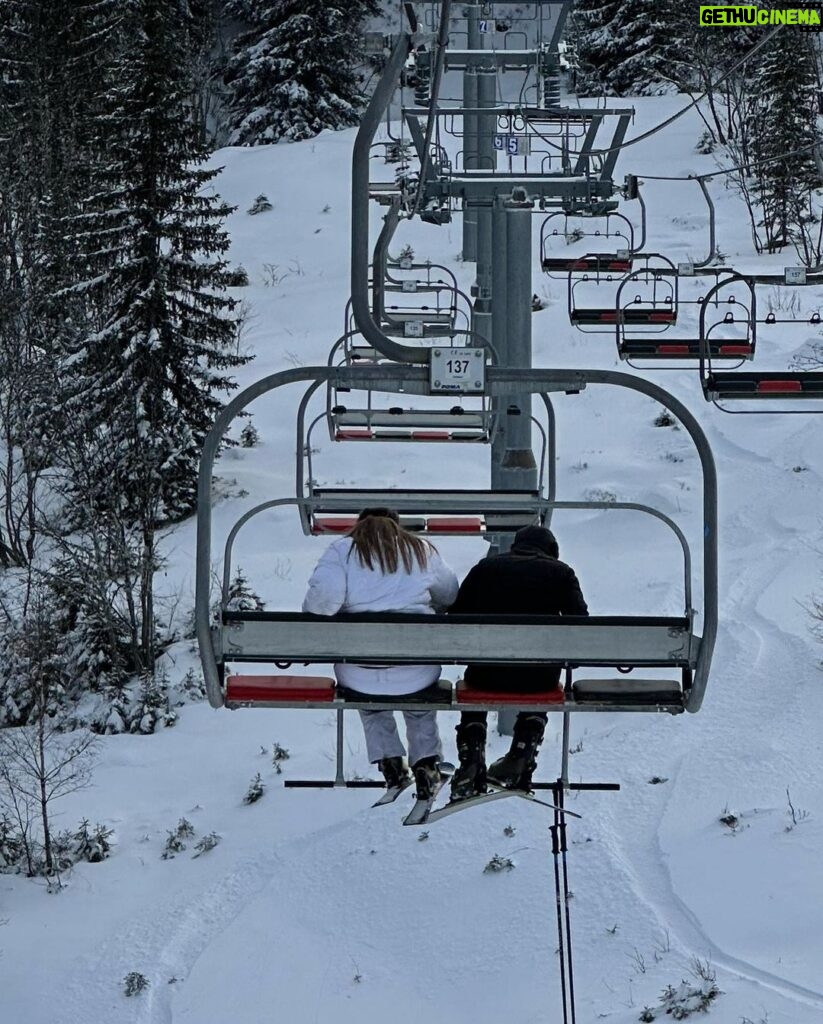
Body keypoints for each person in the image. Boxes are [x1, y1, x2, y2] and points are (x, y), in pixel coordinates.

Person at [302, 508, 459, 799]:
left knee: (371, 704)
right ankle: (426, 765)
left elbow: (322, 602)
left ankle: (391, 764)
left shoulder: (342, 551)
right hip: (417, 669)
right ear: (397, 526)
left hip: (359, 670)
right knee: (419, 703)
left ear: (358, 526)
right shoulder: (419, 549)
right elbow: (449, 594)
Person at [448, 525, 588, 800]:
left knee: (471, 680)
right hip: (538, 679)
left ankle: (472, 758)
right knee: (542, 682)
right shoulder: (562, 573)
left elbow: (457, 617)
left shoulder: (485, 569)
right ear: (551, 551)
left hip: (485, 674)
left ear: (516, 546)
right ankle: (521, 754)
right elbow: (580, 627)